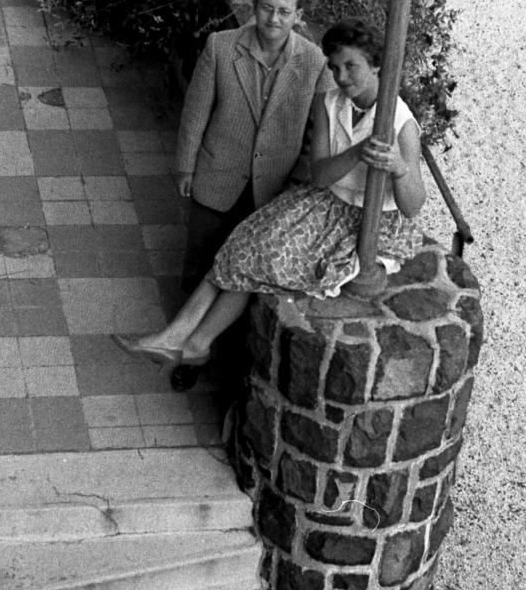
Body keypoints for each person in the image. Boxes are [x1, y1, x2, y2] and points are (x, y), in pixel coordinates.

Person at [113, 20, 426, 370]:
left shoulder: (400, 123)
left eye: (351, 66)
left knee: (258, 257)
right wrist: (356, 152)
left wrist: (399, 167)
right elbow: (320, 176)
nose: (341, 77)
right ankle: (181, 339)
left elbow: (412, 206)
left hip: (367, 221)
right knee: (243, 242)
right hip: (325, 202)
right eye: (335, 67)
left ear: (376, 65)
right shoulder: (331, 102)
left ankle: (190, 342)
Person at [167, 0, 330, 390]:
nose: (274, 19)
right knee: (203, 262)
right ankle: (186, 352)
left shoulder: (313, 61)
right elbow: (196, 113)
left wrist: (300, 177)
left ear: (298, 15)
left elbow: (324, 127)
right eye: (266, 8)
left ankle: (220, 352)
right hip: (217, 177)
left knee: (247, 276)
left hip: (272, 190)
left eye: (284, 11)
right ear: (252, 7)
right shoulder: (220, 47)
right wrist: (185, 167)